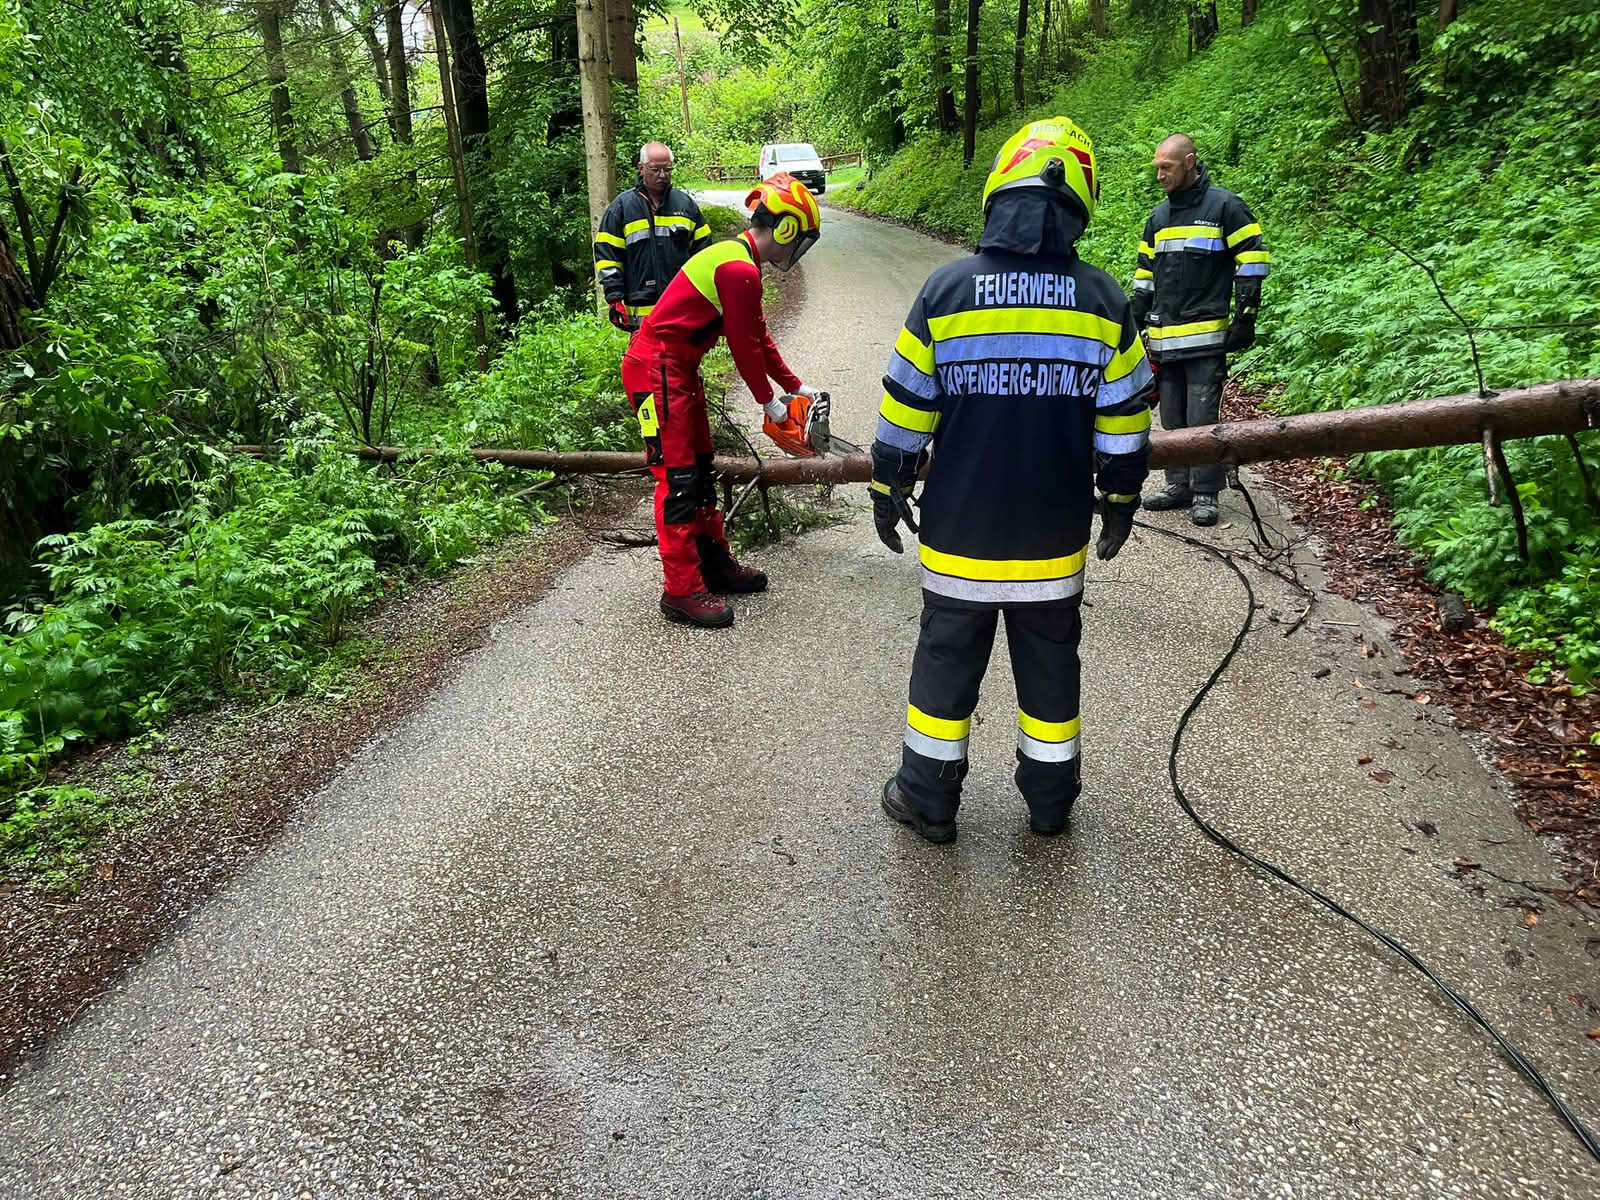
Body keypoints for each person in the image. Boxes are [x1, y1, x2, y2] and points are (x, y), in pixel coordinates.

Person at [870, 118, 1154, 844]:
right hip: (1052, 540)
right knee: (1050, 668)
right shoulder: (1103, 301)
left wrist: (888, 483)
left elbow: (905, 407)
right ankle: (1051, 800)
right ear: (1080, 201)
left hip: (960, 533)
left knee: (946, 664)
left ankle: (928, 801)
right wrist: (1120, 500)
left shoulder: (946, 291)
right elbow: (1125, 425)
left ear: (999, 193)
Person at [621, 172, 824, 629]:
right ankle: (680, 590)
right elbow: (743, 345)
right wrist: (768, 402)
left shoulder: (739, 263)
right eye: (801, 239)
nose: (798, 250)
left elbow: (757, 335)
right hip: (655, 370)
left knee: (701, 469)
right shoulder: (737, 267)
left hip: (678, 370)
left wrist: (794, 385)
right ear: (787, 228)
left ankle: (713, 566)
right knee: (676, 478)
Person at [1131, 133, 1270, 526]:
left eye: (1167, 168)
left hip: (1205, 341)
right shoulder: (1157, 218)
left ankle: (1206, 491)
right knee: (1172, 418)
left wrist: (1245, 315)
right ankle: (1179, 485)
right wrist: (1135, 318)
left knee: (1202, 418)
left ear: (1190, 162)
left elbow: (1254, 258)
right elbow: (1145, 277)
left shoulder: (1225, 207)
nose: (1159, 175)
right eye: (1156, 167)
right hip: (1163, 340)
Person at [593, 142, 711, 332]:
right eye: (655, 169)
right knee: (644, 362)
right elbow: (607, 256)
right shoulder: (621, 208)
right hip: (640, 315)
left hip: (681, 309)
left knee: (684, 362)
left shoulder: (685, 205)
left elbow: (705, 255)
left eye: (668, 169)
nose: (663, 175)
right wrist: (614, 298)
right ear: (641, 168)